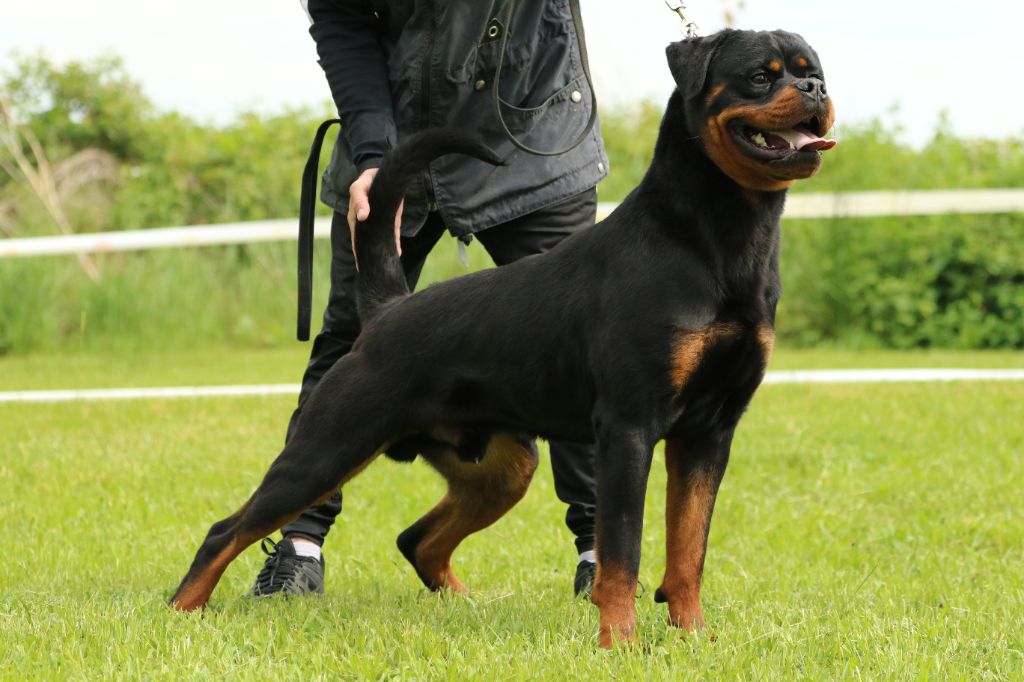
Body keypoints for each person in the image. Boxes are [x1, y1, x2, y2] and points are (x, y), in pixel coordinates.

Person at [251, 0, 609, 599]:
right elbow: (341, 19)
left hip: (533, 139)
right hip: (392, 142)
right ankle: (299, 547)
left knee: (580, 343)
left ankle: (602, 554)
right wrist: (372, 153)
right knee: (351, 341)